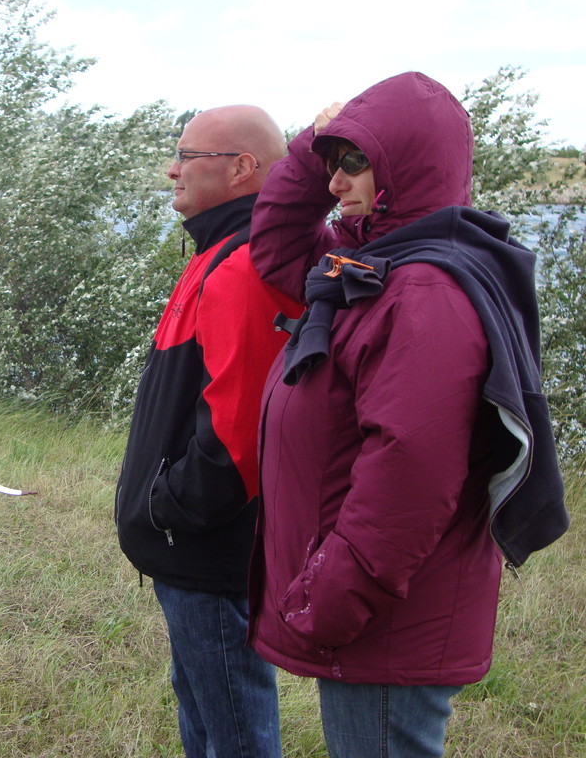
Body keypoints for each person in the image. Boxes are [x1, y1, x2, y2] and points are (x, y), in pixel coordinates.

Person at [248, 72, 569, 757]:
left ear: (407, 164)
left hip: (384, 617)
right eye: (334, 164)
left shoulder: (422, 291)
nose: (336, 181)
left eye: (355, 162)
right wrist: (313, 144)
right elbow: (274, 242)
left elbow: (409, 470)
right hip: (374, 610)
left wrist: (331, 597)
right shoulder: (371, 261)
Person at [115, 105, 302, 758]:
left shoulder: (244, 269)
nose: (172, 168)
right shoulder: (217, 255)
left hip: (207, 552)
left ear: (243, 168)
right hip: (190, 549)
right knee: (202, 709)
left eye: (187, 156)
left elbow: (238, 436)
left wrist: (170, 509)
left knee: (234, 729)